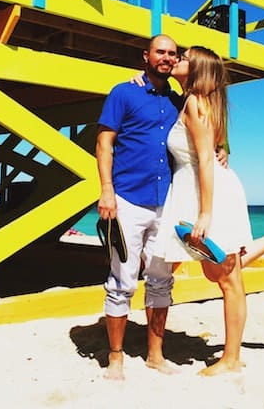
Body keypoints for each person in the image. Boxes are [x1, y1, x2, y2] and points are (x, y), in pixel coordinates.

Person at [153, 46, 264, 376]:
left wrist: (205, 213)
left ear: (199, 70)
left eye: (185, 58)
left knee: (228, 279)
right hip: (202, 188)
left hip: (209, 193)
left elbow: (205, 159)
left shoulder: (195, 103)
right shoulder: (201, 101)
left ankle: (231, 360)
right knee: (217, 269)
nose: (178, 60)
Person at [96, 34, 183, 380]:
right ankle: (115, 356)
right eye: (160, 52)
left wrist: (223, 148)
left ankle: (155, 355)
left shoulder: (179, 101)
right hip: (128, 200)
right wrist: (107, 191)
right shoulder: (124, 92)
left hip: (167, 204)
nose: (166, 58)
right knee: (121, 280)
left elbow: (206, 129)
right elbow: (104, 142)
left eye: (172, 54)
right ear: (145, 56)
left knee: (162, 280)